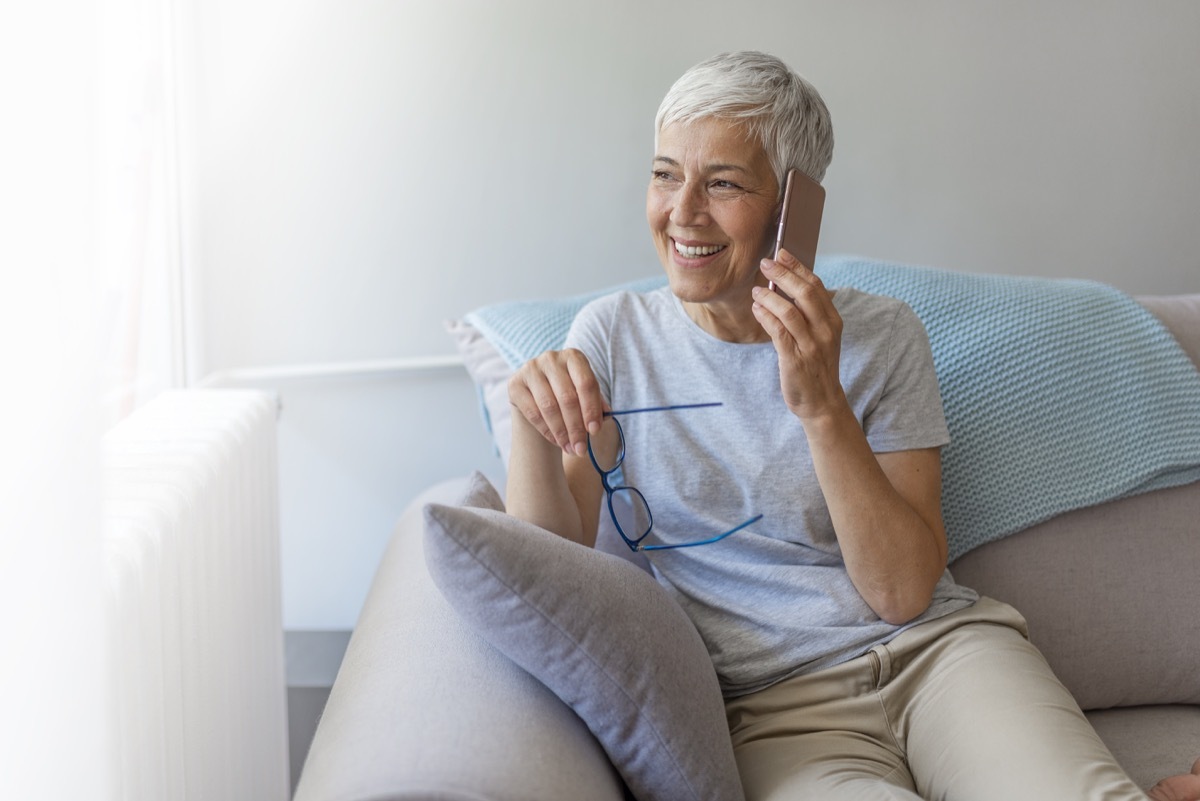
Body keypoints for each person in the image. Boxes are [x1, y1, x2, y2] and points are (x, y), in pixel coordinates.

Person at [504, 50, 1197, 801]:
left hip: (943, 658)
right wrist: (530, 425)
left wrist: (821, 405)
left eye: (724, 183)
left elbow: (903, 592)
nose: (683, 211)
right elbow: (545, 561)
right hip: (774, 706)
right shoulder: (613, 337)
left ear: (793, 207)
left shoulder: (882, 335)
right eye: (665, 174)